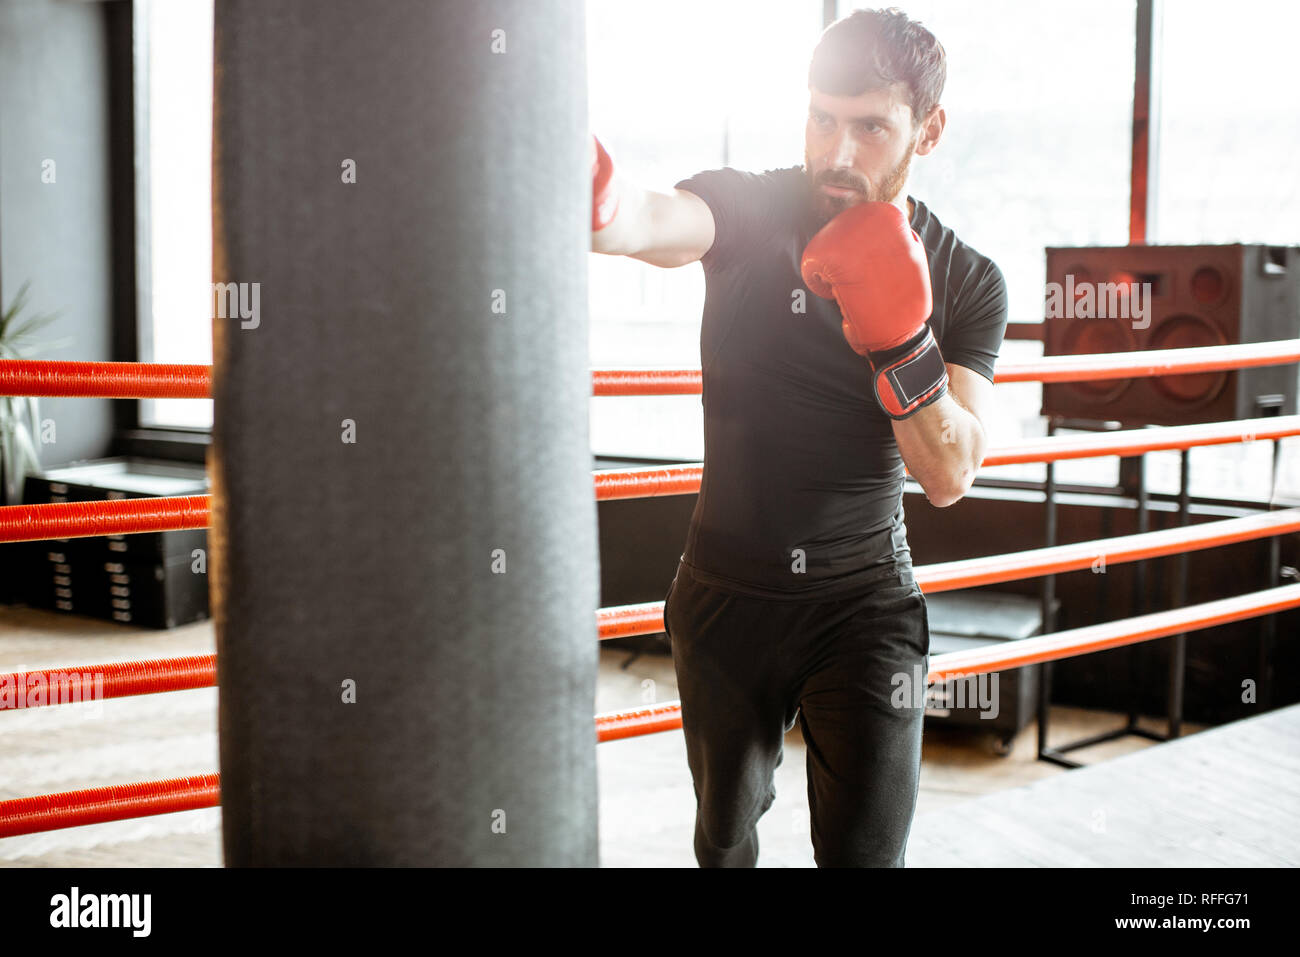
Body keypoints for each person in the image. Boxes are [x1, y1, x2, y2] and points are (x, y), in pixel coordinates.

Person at [590, 7, 1008, 867]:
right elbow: (646, 221)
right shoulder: (749, 207)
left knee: (866, 855)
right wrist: (596, 194)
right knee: (725, 843)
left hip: (864, 604)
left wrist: (899, 337)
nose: (838, 154)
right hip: (726, 593)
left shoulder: (967, 278)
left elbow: (950, 471)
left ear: (927, 130)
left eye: (870, 128)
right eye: (822, 118)